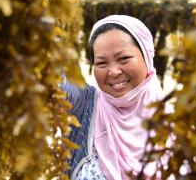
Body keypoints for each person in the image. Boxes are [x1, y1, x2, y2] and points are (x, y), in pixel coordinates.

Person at [62, 15, 164, 180]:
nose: (114, 72)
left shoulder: (178, 122)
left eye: (123, 59)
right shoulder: (83, 105)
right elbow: (42, 72)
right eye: (102, 63)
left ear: (147, 56)